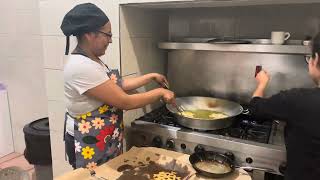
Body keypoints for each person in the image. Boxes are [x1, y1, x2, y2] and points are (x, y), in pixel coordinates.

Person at [60, 3, 175, 169]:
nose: (110, 40)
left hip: (100, 138)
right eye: (107, 35)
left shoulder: (92, 60)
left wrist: (151, 76)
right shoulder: (81, 66)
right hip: (87, 141)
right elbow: (124, 101)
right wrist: (159, 92)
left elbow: (119, 84)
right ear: (90, 34)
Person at [250, 33, 320, 180]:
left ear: (316, 59)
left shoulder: (298, 100)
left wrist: (262, 83)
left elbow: (255, 108)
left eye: (309, 57)